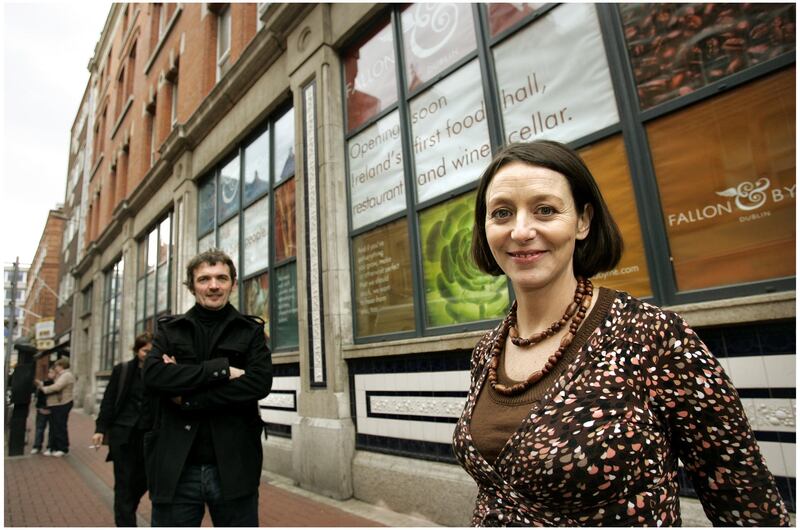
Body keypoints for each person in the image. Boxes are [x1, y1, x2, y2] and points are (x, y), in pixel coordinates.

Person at [452, 140, 790, 526]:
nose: (521, 230)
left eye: (545, 210)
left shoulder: (653, 336)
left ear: (583, 221)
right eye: (502, 213)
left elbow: (745, 501)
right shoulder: (487, 352)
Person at [142, 249, 272, 527]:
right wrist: (222, 371)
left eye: (221, 278)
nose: (213, 286)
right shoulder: (170, 330)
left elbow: (259, 383)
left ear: (233, 284)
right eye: (204, 279)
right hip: (176, 467)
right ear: (192, 286)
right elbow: (154, 376)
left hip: (234, 467)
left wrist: (187, 397)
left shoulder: (250, 332)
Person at [92, 332, 154, 526]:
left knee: (145, 480)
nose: (148, 354)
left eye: (152, 351)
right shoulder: (123, 370)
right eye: (145, 351)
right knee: (124, 482)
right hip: (124, 436)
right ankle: (126, 522)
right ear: (137, 350)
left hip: (148, 436)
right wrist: (100, 429)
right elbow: (109, 401)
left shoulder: (159, 371)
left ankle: (128, 506)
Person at [37, 357, 75, 457]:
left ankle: (62, 447)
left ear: (61, 366)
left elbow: (57, 386)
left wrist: (44, 389)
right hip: (56, 403)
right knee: (54, 426)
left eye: (57, 366)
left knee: (60, 425)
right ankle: (54, 447)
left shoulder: (66, 375)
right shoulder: (61, 375)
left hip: (62, 403)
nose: (55, 368)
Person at [30, 366, 55, 455]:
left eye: (52, 372)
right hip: (42, 409)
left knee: (52, 429)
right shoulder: (44, 383)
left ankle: (50, 447)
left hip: (53, 409)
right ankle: (37, 446)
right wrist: (40, 408)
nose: (50, 374)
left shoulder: (57, 384)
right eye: (49, 372)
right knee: (39, 428)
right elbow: (40, 397)